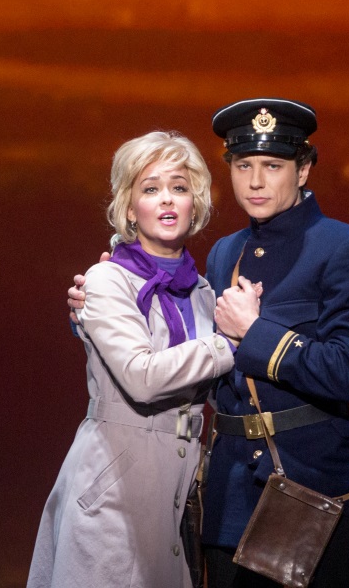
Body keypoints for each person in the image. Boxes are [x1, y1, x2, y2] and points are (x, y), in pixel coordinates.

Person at [68, 98, 349, 587]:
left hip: (315, 492)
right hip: (230, 497)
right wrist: (95, 313)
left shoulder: (344, 248)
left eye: (272, 166)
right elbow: (184, 348)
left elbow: (347, 372)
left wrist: (255, 334)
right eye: (243, 166)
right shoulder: (224, 253)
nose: (256, 181)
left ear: (303, 170)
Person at [28, 130, 260, 588]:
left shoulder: (203, 292)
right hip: (113, 490)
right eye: (151, 189)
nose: (167, 199)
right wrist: (230, 342)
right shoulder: (107, 279)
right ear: (130, 209)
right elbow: (142, 377)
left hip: (176, 496)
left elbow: (208, 387)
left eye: (179, 187)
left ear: (195, 203)